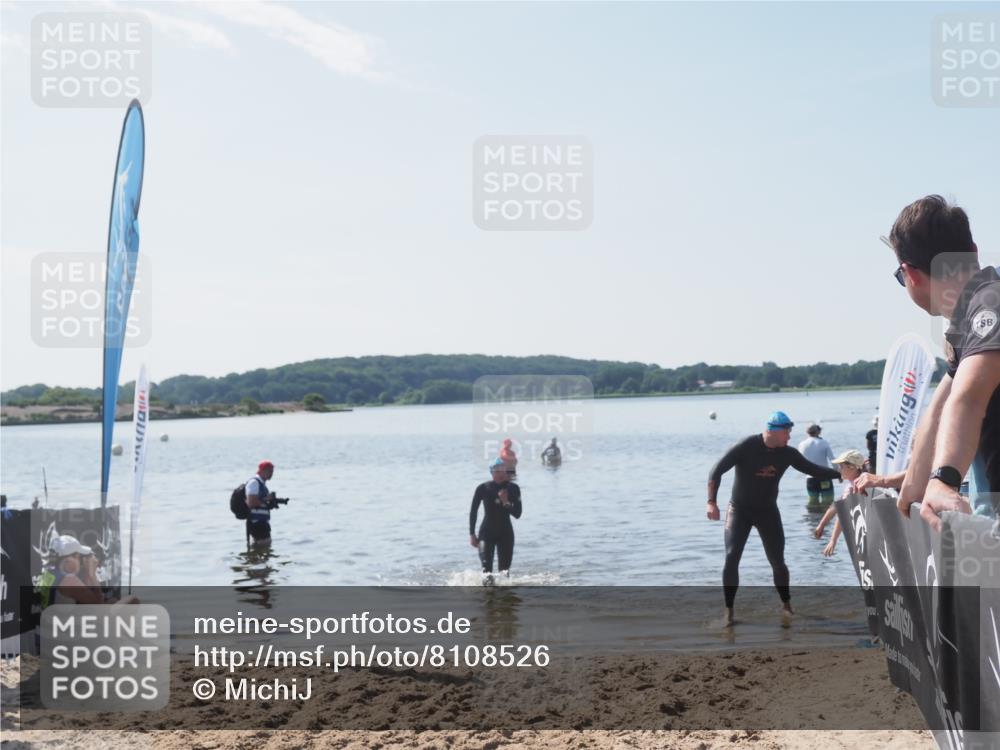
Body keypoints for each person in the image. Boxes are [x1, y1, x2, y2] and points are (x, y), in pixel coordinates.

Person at [883, 196, 1000, 528]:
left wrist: (944, 480)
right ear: (974, 251)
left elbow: (970, 397)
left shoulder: (991, 303)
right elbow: (945, 400)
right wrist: (913, 487)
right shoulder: (974, 312)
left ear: (909, 274)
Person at [707, 411, 842, 625]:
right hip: (739, 510)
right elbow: (716, 470)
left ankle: (787, 605)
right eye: (786, 433)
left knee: (778, 562)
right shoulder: (746, 446)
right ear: (772, 431)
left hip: (767, 511)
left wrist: (841, 474)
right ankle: (728, 612)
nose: (789, 437)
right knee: (732, 557)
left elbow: (813, 469)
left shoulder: (787, 453)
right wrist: (712, 502)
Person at [469, 457, 523, 584]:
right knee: (486, 570)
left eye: (503, 470)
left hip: (506, 534)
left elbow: (518, 514)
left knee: (504, 572)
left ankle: (504, 601)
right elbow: (473, 512)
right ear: (491, 473)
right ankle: (488, 600)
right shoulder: (483, 488)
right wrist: (472, 534)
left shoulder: (513, 488)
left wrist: (505, 502)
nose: (500, 473)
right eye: (497, 470)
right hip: (486, 533)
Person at [813, 450, 868, 556]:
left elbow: (842, 513)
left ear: (853, 467)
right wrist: (821, 525)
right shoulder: (857, 482)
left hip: (862, 533)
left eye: (842, 467)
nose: (839, 469)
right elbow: (836, 505)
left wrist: (833, 540)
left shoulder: (853, 487)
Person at [38, 535, 103, 606]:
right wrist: (92, 574)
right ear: (67, 560)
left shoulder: (49, 573)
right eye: (78, 556)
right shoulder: (69, 581)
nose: (79, 561)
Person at [798, 424, 836, 511]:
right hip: (824, 477)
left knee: (812, 502)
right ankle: (826, 522)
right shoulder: (823, 443)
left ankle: (813, 522)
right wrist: (838, 474)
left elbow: (799, 462)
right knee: (828, 502)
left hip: (810, 479)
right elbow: (833, 460)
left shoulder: (801, 444)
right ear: (818, 432)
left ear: (807, 432)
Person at [245, 460, 278, 545]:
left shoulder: (262, 484)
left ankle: (252, 556)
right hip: (256, 522)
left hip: (262, 522)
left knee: (263, 548)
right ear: (263, 470)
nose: (271, 474)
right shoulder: (254, 482)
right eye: (269, 471)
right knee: (264, 544)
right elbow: (251, 502)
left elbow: (261, 501)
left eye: (272, 471)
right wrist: (266, 499)